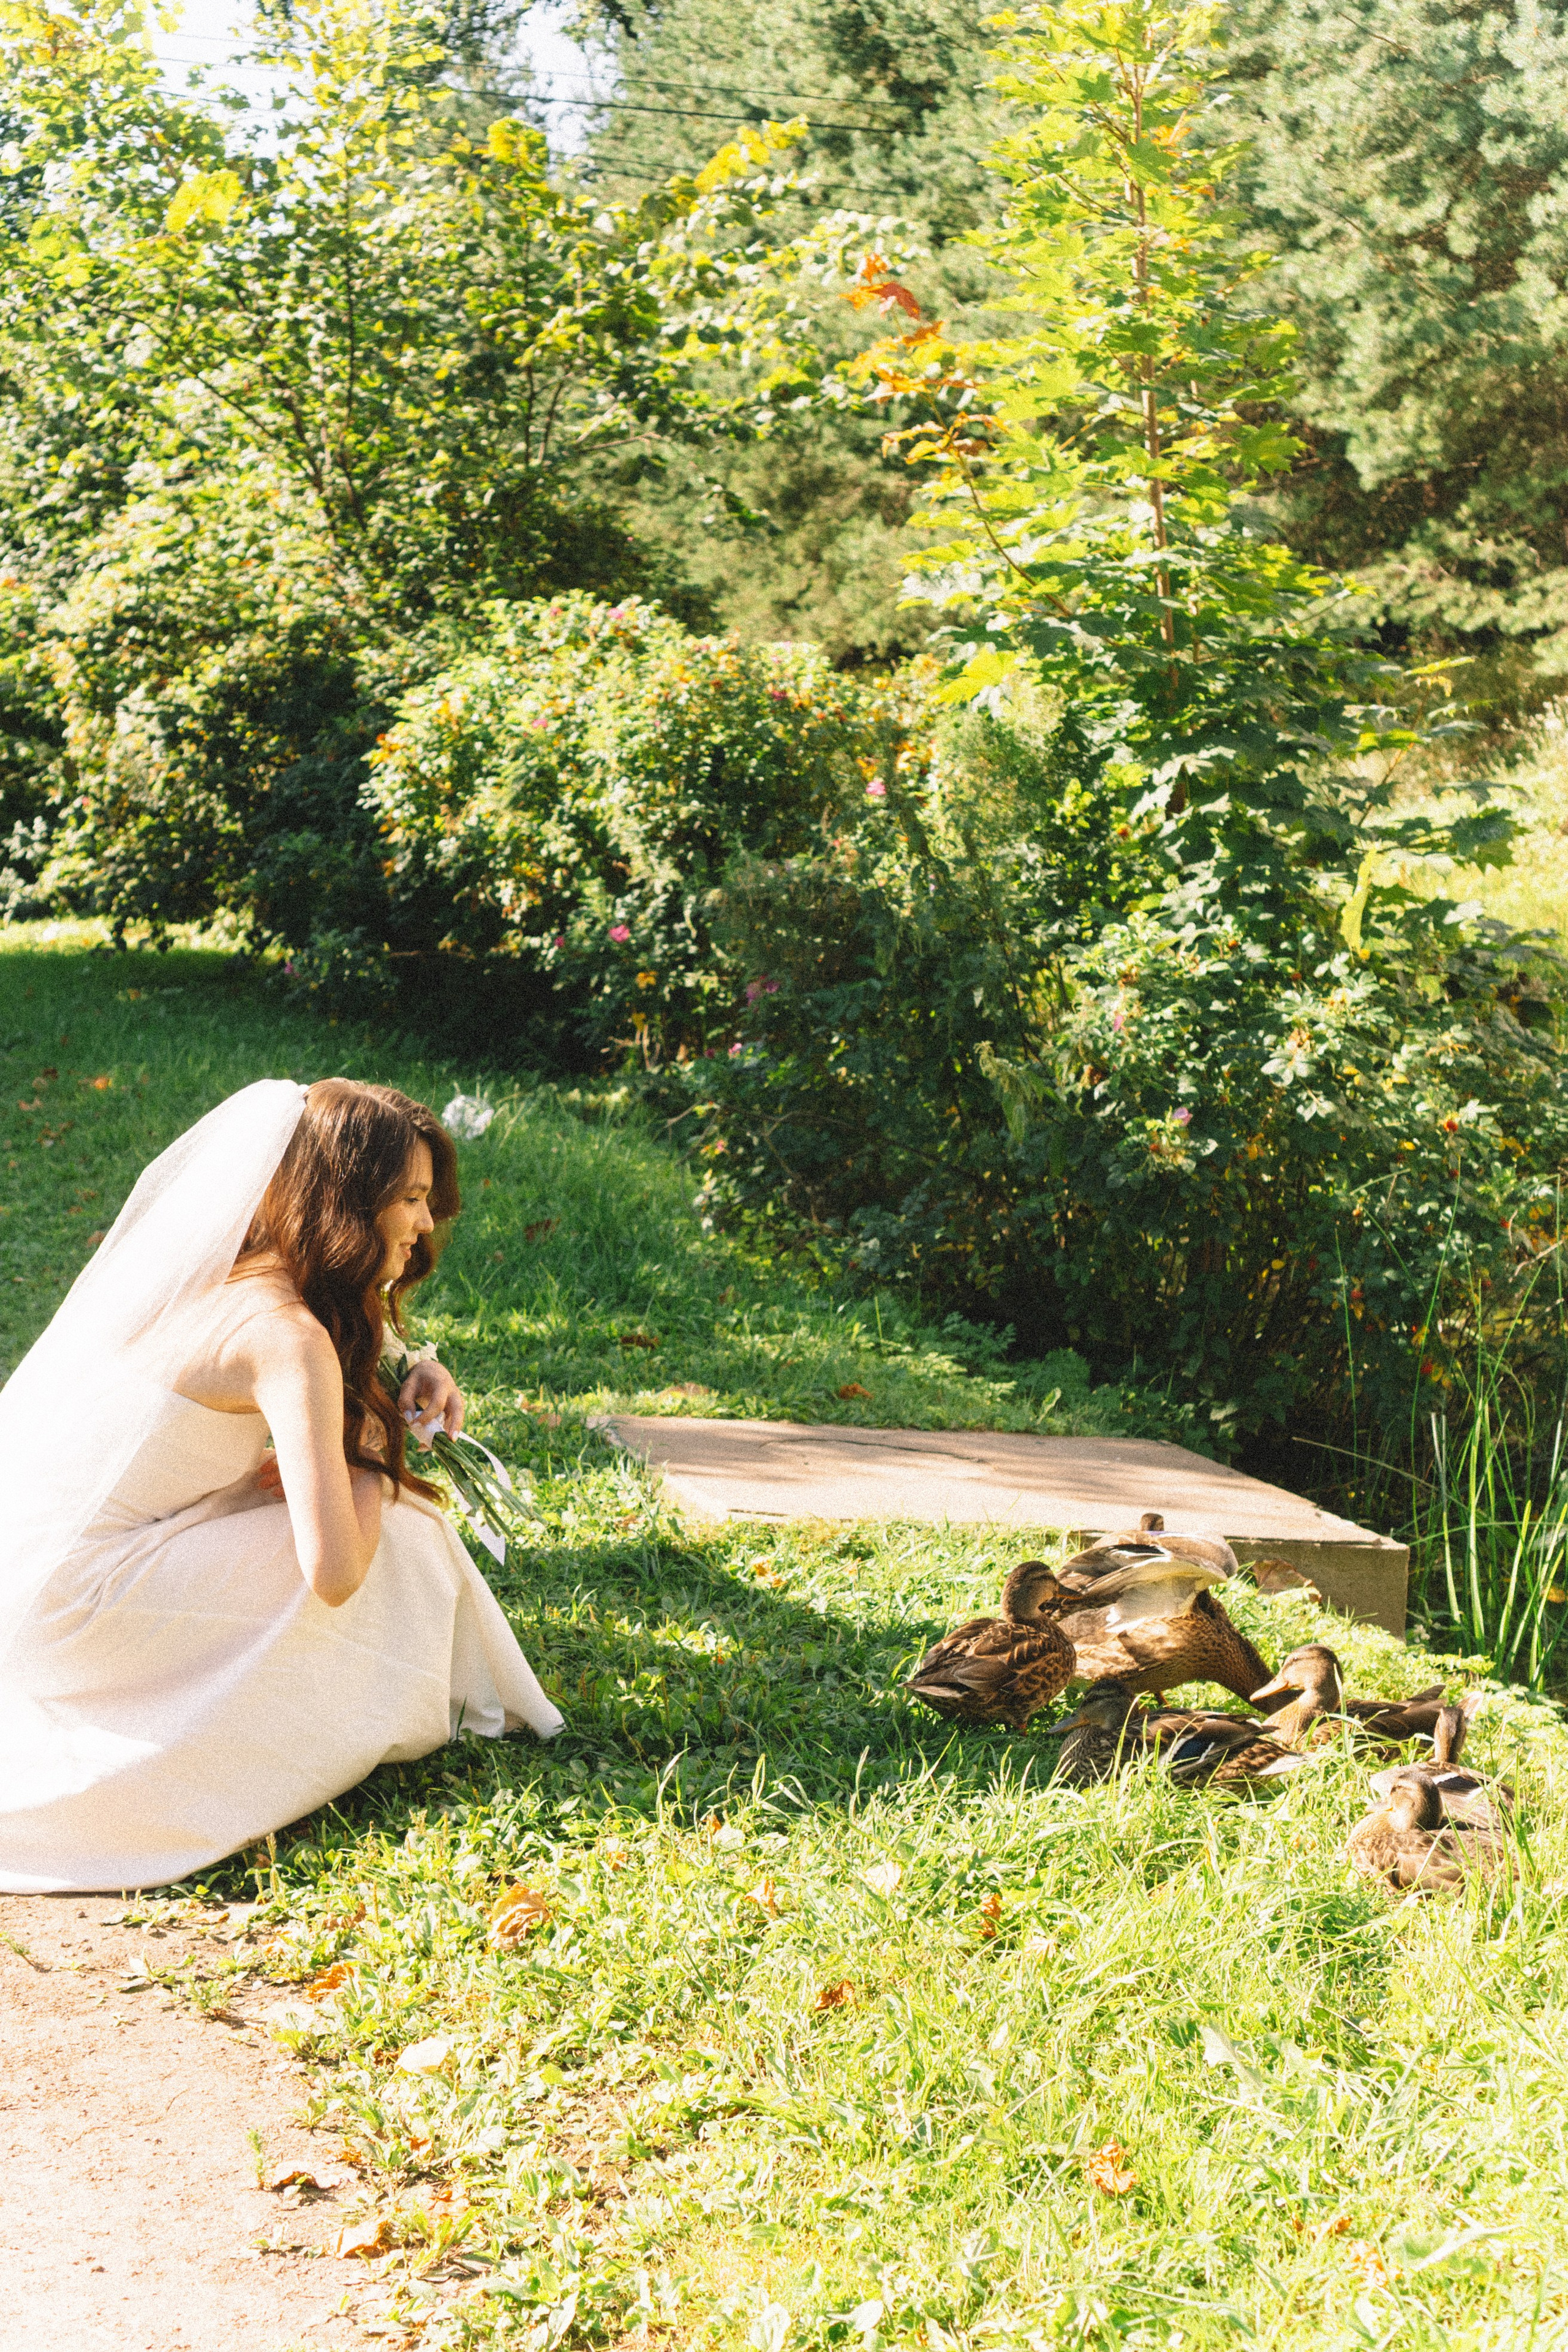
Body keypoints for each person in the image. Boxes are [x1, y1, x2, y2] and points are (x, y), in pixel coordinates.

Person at [0, 1078, 562, 1896]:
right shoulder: (284, 1336)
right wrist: (372, 1447)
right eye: (407, 1198)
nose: (426, 1222)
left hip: (31, 1572)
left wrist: (409, 1370)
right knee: (401, 1532)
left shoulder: (221, 1274)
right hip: (70, 1609)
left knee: (370, 1517)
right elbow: (334, 1575)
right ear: (346, 1200)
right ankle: (347, 1722)